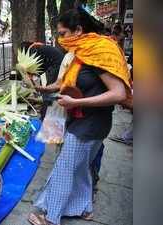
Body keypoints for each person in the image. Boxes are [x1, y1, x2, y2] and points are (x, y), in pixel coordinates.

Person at [28, 7, 131, 225]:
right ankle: (84, 209)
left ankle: (50, 217)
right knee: (81, 167)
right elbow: (69, 83)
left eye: (63, 33)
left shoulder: (99, 50)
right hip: (85, 121)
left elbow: (119, 93)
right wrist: (47, 90)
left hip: (90, 124)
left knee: (64, 168)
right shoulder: (82, 51)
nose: (60, 39)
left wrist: (76, 102)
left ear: (78, 30)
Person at [20, 41, 65, 120]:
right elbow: (40, 70)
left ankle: (45, 115)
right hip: (57, 64)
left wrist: (32, 81)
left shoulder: (34, 51)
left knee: (49, 91)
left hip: (57, 66)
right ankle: (47, 110)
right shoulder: (38, 49)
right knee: (47, 88)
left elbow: (38, 69)